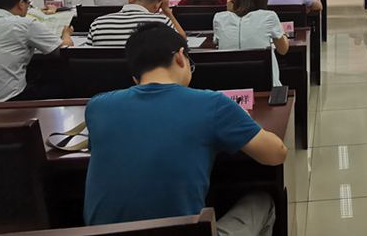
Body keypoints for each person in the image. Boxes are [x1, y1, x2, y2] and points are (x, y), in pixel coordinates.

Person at [83, 23, 286, 233]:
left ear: (135, 77)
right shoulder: (212, 104)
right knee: (263, 202)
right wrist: (241, 119)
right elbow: (276, 154)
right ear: (181, 57)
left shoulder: (97, 107)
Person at [0, 0, 73, 102]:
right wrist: (66, 34)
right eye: (28, 3)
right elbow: (64, 49)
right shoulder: (23, 24)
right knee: (60, 80)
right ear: (21, 4)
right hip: (9, 100)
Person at [214, 0, 289, 87]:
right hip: (265, 83)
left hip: (229, 84)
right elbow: (283, 50)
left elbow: (219, 44)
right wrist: (282, 31)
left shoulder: (219, 17)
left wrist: (229, 12)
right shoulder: (269, 16)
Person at [87, 0, 185, 46]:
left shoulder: (98, 23)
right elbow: (182, 42)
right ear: (157, 5)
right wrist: (167, 11)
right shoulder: (161, 22)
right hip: (145, 72)